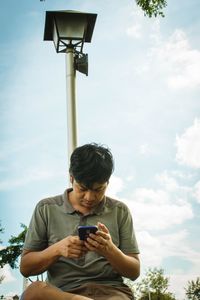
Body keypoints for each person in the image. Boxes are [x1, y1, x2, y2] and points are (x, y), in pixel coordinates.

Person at [20, 143, 140, 300]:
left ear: (108, 183)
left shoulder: (120, 211)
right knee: (33, 291)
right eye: (82, 188)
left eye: (98, 190)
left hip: (111, 293)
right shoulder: (46, 208)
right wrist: (57, 249)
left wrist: (110, 250)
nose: (89, 197)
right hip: (62, 294)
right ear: (71, 178)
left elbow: (134, 272)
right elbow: (26, 267)